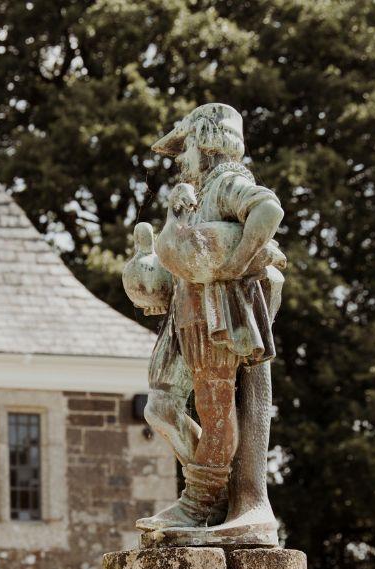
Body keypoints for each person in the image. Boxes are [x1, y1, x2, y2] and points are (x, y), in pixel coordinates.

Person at [123, 103, 287, 545]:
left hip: (214, 317)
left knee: (215, 411)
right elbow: (183, 257)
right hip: (185, 316)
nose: (180, 158)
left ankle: (201, 501)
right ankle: (211, 491)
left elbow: (268, 212)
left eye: (185, 147)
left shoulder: (227, 182)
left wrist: (235, 263)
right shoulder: (198, 194)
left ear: (206, 142)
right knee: (160, 407)